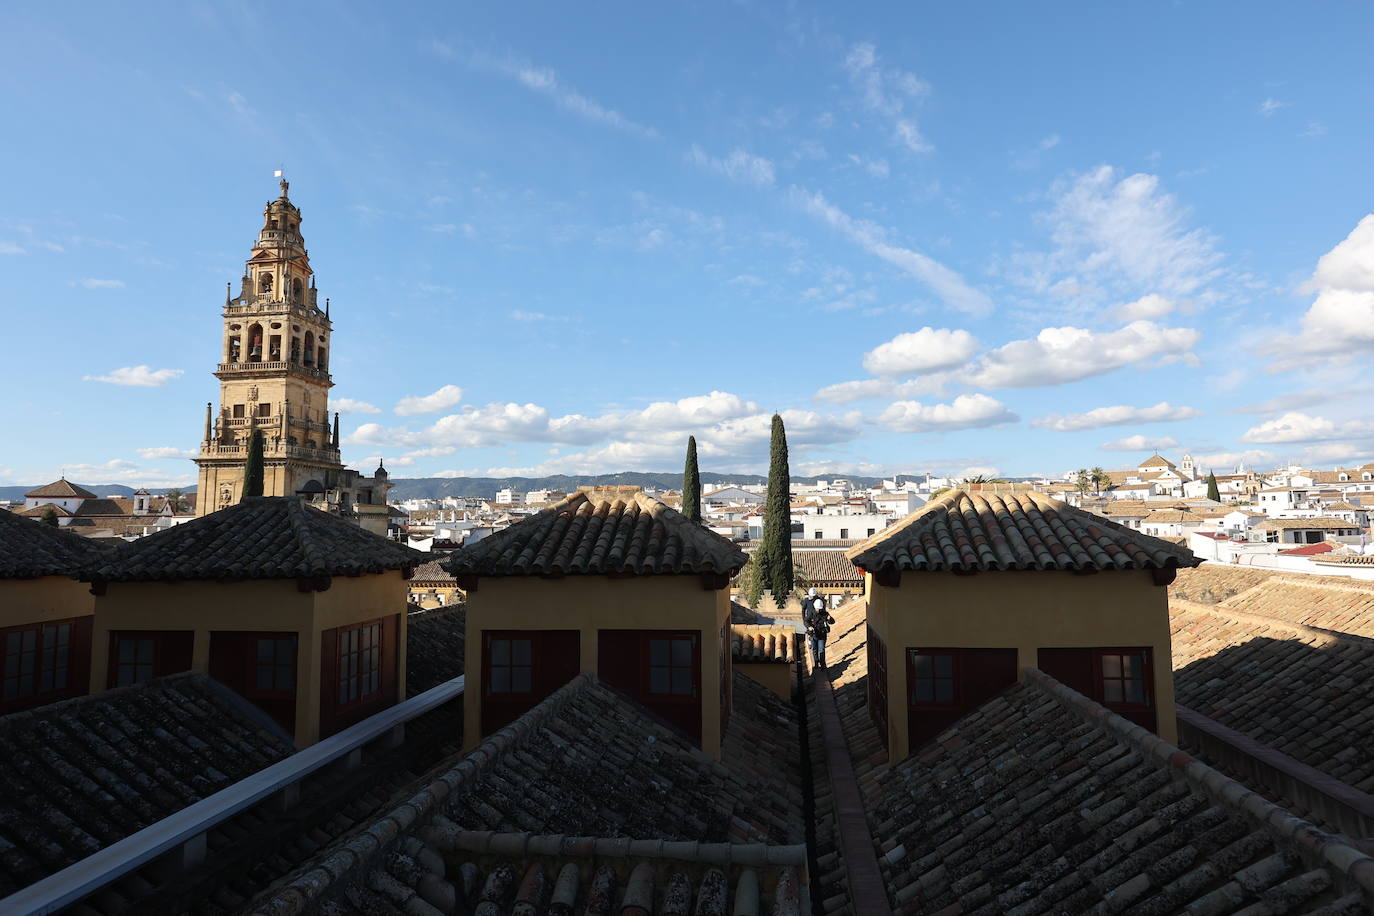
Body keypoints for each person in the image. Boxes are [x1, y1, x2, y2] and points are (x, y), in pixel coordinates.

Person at [804, 588, 834, 669]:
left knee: (821, 650)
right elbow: (806, 621)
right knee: (814, 650)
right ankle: (816, 663)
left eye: (819, 609)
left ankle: (822, 664)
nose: (818, 610)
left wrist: (829, 619)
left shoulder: (825, 614)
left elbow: (832, 622)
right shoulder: (811, 613)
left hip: (822, 635)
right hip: (814, 634)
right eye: (817, 608)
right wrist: (809, 627)